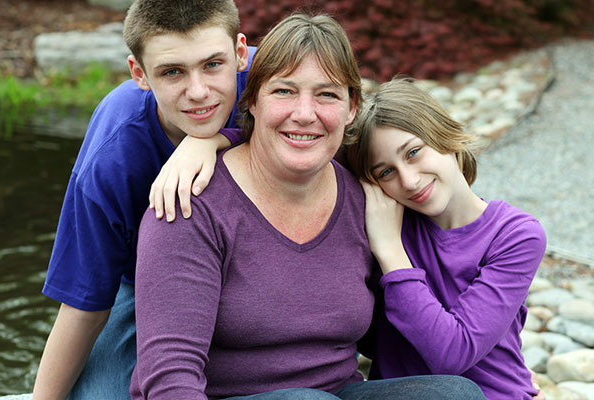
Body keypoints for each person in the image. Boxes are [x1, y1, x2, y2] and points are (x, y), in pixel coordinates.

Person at [131, 13, 486, 400]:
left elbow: (403, 343)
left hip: (339, 393)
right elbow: (169, 378)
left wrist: (508, 377)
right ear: (252, 102)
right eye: (284, 91)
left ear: (351, 109)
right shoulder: (189, 203)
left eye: (327, 94)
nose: (305, 113)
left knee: (455, 394)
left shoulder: (364, 197)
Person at [32, 0, 254, 398]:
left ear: (240, 52)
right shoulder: (112, 154)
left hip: (262, 268)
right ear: (140, 74)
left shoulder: (273, 83)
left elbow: (332, 130)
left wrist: (218, 141)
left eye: (212, 65)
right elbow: (86, 303)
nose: (198, 91)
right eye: (172, 72)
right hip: (146, 285)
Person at [345, 77, 547, 399]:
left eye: (413, 152)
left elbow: (453, 354)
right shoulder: (382, 221)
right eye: (386, 172)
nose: (409, 181)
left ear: (444, 135)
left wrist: (391, 252)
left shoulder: (515, 235)